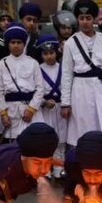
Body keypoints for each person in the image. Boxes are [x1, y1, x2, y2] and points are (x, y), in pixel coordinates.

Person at [60, 0, 102, 150]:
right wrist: (65, 103)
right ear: (77, 19)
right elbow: (66, 75)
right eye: (81, 18)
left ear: (95, 19)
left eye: (88, 18)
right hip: (80, 91)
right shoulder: (71, 43)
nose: (85, 22)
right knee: (83, 129)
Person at [0, 23, 44, 142]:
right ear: (8, 44)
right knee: (13, 146)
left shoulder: (33, 63)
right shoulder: (2, 64)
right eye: (12, 42)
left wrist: (31, 109)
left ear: (24, 44)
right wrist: (3, 114)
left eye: (19, 42)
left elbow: (40, 88)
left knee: (31, 143)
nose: (16, 46)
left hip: (30, 111)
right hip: (10, 112)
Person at [35, 34, 67, 177]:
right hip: (46, 109)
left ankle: (59, 171)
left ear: (56, 52)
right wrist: (43, 101)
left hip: (60, 108)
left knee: (61, 140)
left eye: (51, 53)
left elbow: (67, 87)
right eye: (45, 53)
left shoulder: (63, 68)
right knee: (47, 141)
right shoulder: (38, 69)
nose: (49, 56)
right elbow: (35, 90)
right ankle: (45, 172)